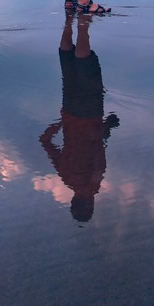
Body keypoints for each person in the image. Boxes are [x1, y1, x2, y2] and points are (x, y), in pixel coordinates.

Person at [39, 12, 120, 222]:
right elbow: (45, 140)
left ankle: (83, 23)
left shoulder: (93, 182)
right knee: (68, 66)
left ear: (90, 204)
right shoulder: (66, 176)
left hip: (90, 112)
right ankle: (68, 22)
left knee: (86, 65)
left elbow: (97, 146)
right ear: (73, 201)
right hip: (69, 110)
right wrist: (61, 123)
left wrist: (108, 126)